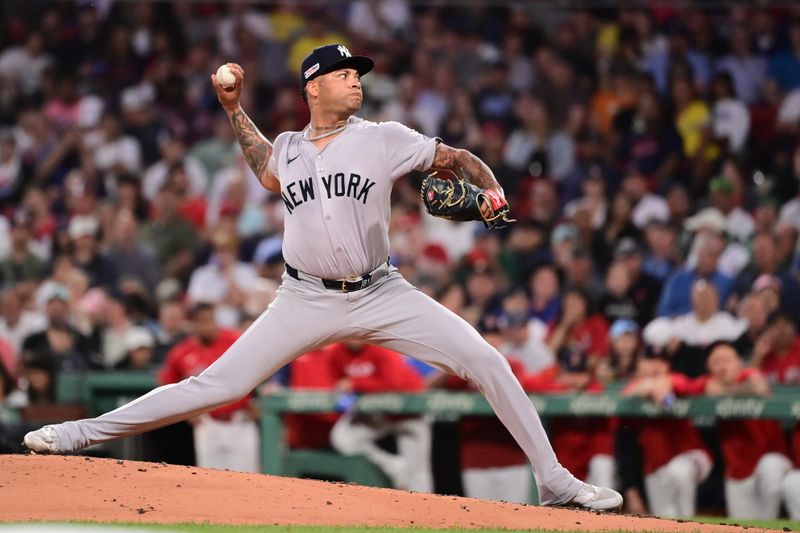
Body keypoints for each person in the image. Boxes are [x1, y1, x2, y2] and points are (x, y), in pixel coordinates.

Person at [23, 44, 621, 510]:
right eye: (343, 74)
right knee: (219, 386)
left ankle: (556, 482)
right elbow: (261, 161)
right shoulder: (286, 148)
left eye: (357, 73)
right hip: (303, 296)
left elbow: (457, 159)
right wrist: (234, 109)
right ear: (314, 86)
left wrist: (490, 188)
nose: (356, 80)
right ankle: (80, 434)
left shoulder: (383, 138)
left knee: (486, 360)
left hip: (382, 291)